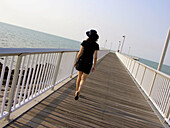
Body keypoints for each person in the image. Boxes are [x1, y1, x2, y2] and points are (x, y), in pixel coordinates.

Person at [74, 29, 99, 100]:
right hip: (88, 63)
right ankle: (79, 90)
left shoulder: (84, 42)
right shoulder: (96, 45)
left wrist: (76, 61)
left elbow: (79, 53)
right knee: (83, 79)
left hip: (81, 61)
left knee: (79, 77)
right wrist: (94, 66)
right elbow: (95, 57)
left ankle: (76, 91)